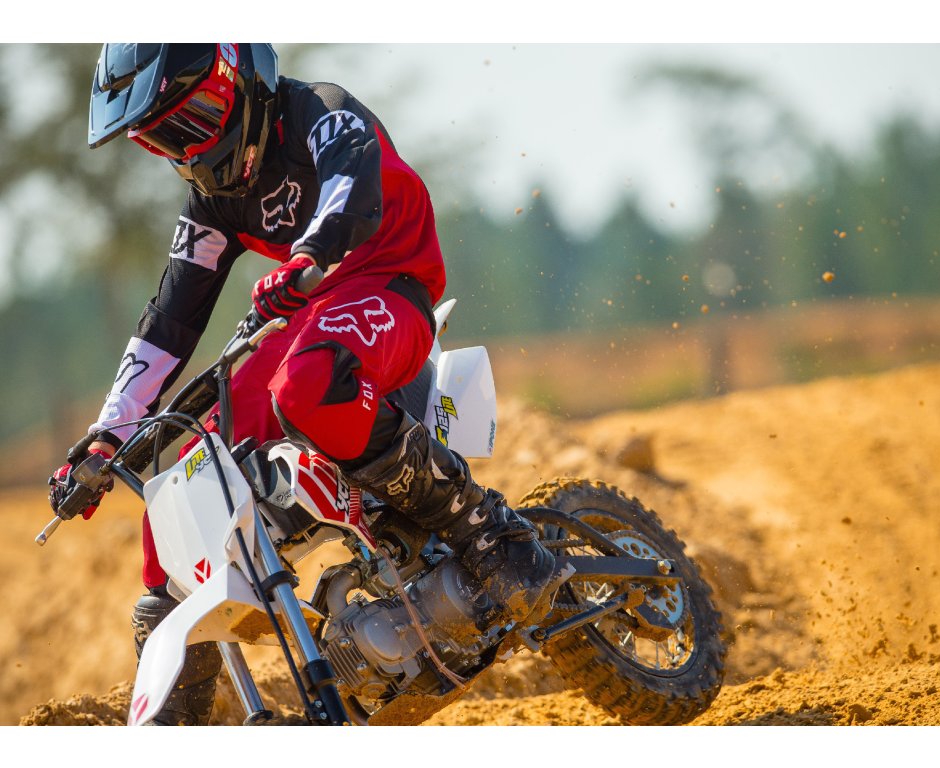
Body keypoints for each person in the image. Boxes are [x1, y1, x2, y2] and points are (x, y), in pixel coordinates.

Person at [48, 43, 559, 726]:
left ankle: (488, 530)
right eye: (163, 139)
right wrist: (105, 440)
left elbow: (351, 185)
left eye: (195, 118)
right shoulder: (211, 205)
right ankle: (179, 723)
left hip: (390, 285)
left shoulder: (321, 111)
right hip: (305, 317)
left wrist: (310, 255)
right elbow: (169, 319)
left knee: (308, 386)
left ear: (239, 76)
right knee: (179, 496)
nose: (189, 150)